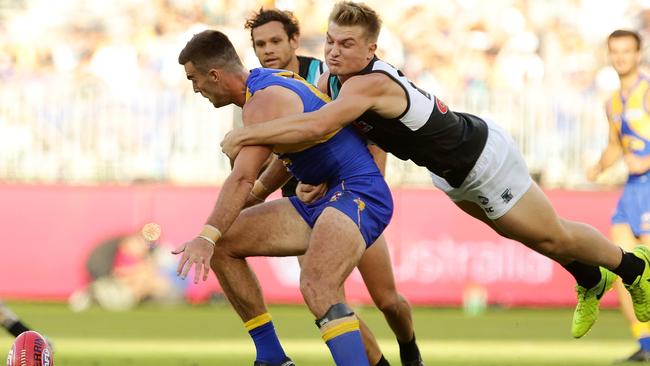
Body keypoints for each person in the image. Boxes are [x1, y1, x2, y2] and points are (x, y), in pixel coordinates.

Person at [221, 1, 650, 341]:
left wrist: (242, 138)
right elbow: (323, 141)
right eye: (331, 41)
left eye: (347, 44)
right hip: (450, 172)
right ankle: (590, 276)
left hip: (481, 158)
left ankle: (634, 269)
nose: (334, 51)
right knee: (521, 233)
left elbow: (318, 126)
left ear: (371, 50)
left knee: (551, 233)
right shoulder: (336, 81)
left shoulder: (366, 83)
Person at [173, 29, 393, 366]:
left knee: (318, 283)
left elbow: (242, 176)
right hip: (322, 200)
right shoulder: (266, 83)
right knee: (225, 244)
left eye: (194, 79)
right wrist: (255, 197)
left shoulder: (261, 103)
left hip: (358, 192)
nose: (195, 89)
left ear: (214, 75)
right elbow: (287, 153)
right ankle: (272, 357)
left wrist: (205, 234)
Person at [245, 8, 421, 365]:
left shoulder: (326, 76)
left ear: (295, 40)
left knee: (387, 299)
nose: (268, 50)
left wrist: (328, 180)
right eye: (260, 44)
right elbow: (260, 157)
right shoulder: (257, 93)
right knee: (329, 298)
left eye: (275, 40)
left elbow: (367, 139)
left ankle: (409, 349)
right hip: (300, 203)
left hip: (353, 195)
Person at [587, 29, 650, 363]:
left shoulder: (648, 91)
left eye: (627, 51)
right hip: (632, 190)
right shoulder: (611, 101)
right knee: (622, 268)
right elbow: (616, 144)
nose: (621, 57)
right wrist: (599, 166)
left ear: (638, 54)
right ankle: (645, 342)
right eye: (615, 51)